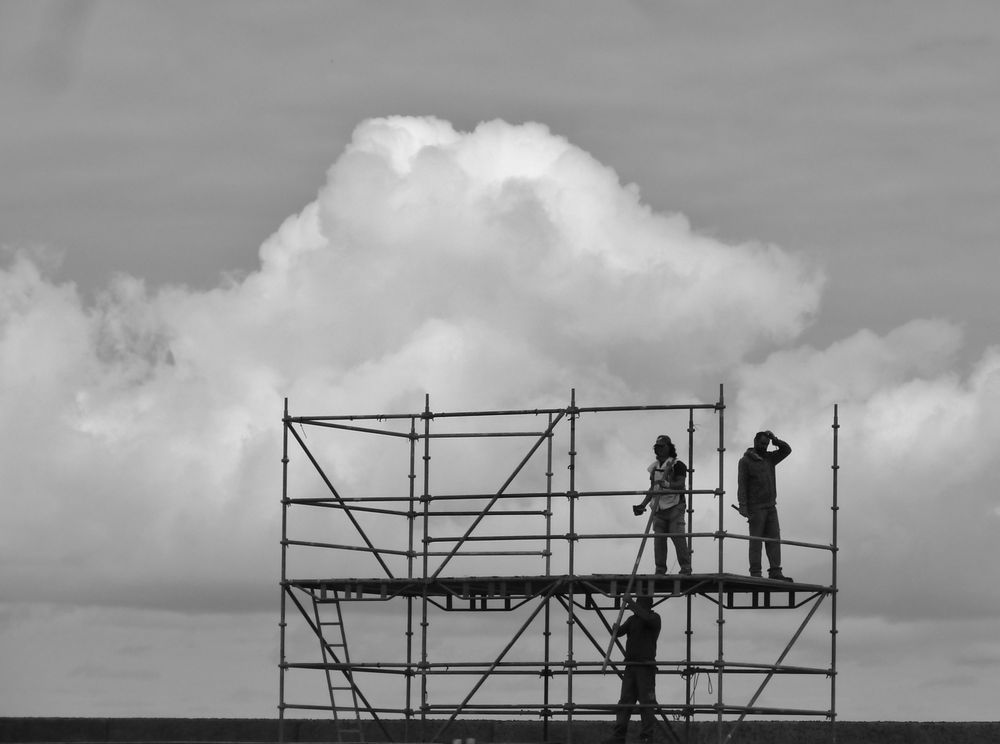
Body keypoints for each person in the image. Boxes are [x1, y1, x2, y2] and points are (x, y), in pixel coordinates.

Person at [737, 430, 793, 581]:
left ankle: (775, 571)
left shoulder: (769, 458)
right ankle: (755, 572)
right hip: (756, 507)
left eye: (766, 444)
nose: (764, 446)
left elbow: (787, 450)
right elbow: (742, 484)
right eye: (762, 443)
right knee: (756, 541)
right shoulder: (745, 461)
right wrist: (743, 505)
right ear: (755, 441)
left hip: (770, 506)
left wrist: (775, 440)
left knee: (774, 539)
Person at [605, 595, 661, 744]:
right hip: (630, 666)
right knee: (625, 702)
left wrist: (630, 603)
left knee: (646, 703)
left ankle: (647, 737)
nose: (634, 607)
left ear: (645, 606)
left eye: (638, 604)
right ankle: (619, 736)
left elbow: (647, 618)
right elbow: (619, 633)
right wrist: (615, 629)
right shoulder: (632, 620)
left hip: (646, 667)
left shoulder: (654, 618)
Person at [633, 435, 692, 575]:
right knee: (659, 541)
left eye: (662, 447)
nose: (659, 450)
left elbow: (681, 485)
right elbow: (652, 488)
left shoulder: (677, 465)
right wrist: (643, 505)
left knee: (678, 537)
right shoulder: (654, 468)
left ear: (669, 448)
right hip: (658, 509)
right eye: (657, 447)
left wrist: (667, 484)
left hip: (674, 507)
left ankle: (685, 568)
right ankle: (660, 569)